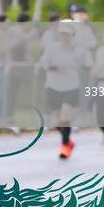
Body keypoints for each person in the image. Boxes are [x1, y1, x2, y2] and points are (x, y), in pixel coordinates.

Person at [38, 20, 92, 159]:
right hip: (53, 87)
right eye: (62, 34)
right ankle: (68, 141)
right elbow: (44, 64)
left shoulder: (78, 51)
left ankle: (64, 148)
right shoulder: (52, 48)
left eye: (67, 34)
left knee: (65, 118)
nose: (65, 37)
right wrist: (56, 67)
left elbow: (88, 63)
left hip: (71, 87)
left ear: (72, 35)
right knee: (58, 122)